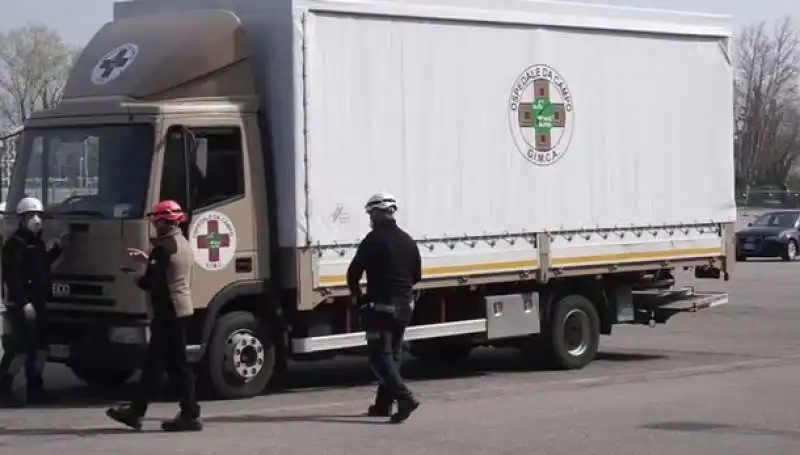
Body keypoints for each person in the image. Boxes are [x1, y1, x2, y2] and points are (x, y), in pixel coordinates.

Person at [106, 200, 202, 432]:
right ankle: (139, 410)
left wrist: (135, 275)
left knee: (172, 365)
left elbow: (151, 282)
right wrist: (147, 260)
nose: (154, 223)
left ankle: (187, 413)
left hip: (168, 311)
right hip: (179, 308)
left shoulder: (162, 248)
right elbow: (165, 268)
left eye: (157, 219)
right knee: (158, 364)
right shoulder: (180, 242)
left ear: (164, 221)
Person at [346, 192, 422, 424]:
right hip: (404, 308)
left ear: (377, 214)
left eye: (370, 214)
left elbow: (353, 273)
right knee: (394, 356)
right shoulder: (408, 240)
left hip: (381, 307)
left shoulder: (373, 240)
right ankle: (383, 405)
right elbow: (416, 275)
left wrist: (358, 296)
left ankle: (405, 398)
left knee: (380, 359)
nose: (370, 218)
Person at [0, 196, 67, 406]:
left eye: (38, 215)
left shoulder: (35, 243)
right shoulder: (16, 243)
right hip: (23, 304)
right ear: (21, 219)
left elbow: (41, 267)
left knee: (40, 347)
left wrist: (57, 249)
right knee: (20, 348)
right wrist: (23, 302)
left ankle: (35, 388)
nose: (36, 220)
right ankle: (4, 387)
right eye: (31, 216)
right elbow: (12, 276)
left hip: (39, 302)